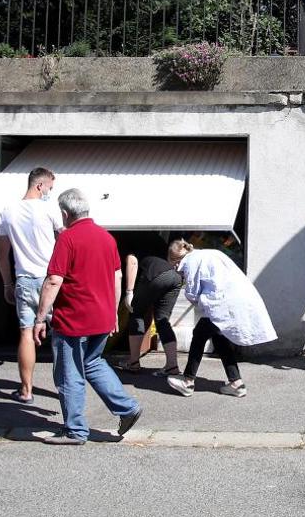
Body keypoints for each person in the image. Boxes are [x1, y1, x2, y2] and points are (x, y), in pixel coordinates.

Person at [32, 189, 143, 444]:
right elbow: (117, 277)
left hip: (74, 319)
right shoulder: (106, 238)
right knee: (92, 363)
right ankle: (128, 408)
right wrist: (115, 313)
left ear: (64, 213)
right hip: (102, 318)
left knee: (69, 373)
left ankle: (75, 430)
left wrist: (40, 318)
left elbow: (53, 281)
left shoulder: (67, 238)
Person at [163, 240, 277, 398]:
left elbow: (192, 293)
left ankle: (188, 381)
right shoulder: (209, 253)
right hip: (235, 299)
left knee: (199, 334)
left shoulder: (189, 263)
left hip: (221, 303)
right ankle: (236, 383)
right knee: (219, 337)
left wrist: (196, 299)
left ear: (175, 261)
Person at [0, 167, 62, 403]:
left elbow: (2, 254)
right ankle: (64, 389)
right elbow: (66, 238)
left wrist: (7, 284)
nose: (50, 193)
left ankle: (26, 390)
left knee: (25, 333)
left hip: (23, 279)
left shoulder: (7, 212)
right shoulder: (49, 209)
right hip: (50, 280)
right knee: (61, 335)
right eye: (50, 188)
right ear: (40, 185)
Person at [119, 246, 183, 374]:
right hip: (175, 277)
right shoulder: (158, 245)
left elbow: (132, 261)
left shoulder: (131, 245)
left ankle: (133, 362)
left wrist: (129, 291)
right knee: (162, 320)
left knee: (136, 313)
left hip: (156, 274)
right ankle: (172, 366)